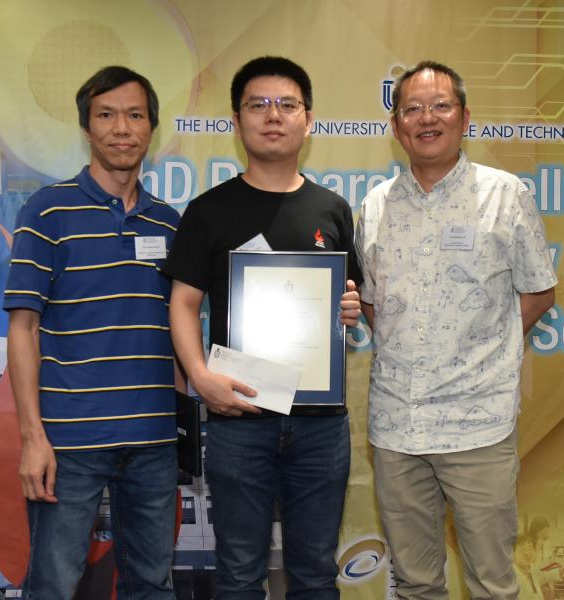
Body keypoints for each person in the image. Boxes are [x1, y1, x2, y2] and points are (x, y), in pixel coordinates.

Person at [356, 60, 557, 600]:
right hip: (398, 424)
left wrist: (482, 346)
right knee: (417, 585)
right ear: (396, 126)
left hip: (477, 424)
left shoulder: (506, 194)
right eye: (412, 109)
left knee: (491, 584)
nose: (427, 118)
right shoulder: (375, 207)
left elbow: (539, 290)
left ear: (465, 117)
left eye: (440, 106)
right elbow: (375, 305)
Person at [165, 56, 363, 599]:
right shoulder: (209, 211)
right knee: (238, 575)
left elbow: (353, 300)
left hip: (320, 424)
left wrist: (350, 310)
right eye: (258, 105)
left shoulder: (334, 209)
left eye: (286, 105)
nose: (272, 116)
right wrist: (201, 378)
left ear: (308, 119)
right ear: (237, 120)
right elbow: (182, 303)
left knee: (316, 576)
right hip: (239, 417)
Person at [4, 65, 180, 599]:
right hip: (69, 443)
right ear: (86, 127)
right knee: (54, 586)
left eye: (134, 115)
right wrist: (33, 436)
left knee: (151, 585)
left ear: (151, 127)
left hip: (153, 441)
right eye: (106, 115)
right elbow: (23, 327)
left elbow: (190, 326)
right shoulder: (47, 211)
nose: (121, 128)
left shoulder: (171, 224)